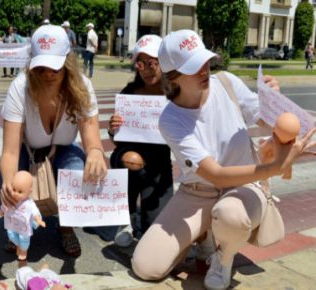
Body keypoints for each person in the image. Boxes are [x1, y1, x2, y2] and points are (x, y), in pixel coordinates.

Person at [131, 29, 316, 290]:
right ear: (173, 76)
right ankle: (203, 236)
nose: (204, 70)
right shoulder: (171, 118)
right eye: (194, 67)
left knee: (229, 215)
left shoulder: (226, 83)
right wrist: (273, 168)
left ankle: (223, 257)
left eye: (205, 62)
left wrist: (273, 100)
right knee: (146, 266)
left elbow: (264, 117)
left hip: (243, 188)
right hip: (198, 192)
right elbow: (214, 173)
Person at [0, 24, 107, 258]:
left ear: (67, 61)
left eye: (55, 66)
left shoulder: (82, 86)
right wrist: (8, 183)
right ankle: (18, 224)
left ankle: (65, 226)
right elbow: (10, 152)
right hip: (28, 150)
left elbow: (93, 141)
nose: (48, 73)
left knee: (76, 173)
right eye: (41, 66)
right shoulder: (20, 87)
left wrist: (95, 152)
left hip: (64, 149)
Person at [108, 35, 173, 247]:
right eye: (141, 63)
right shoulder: (129, 92)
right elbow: (117, 138)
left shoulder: (173, 94)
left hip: (159, 163)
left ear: (163, 63)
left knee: (155, 229)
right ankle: (124, 218)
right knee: (132, 160)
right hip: (128, 155)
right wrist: (113, 129)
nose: (147, 69)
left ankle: (144, 219)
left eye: (152, 63)